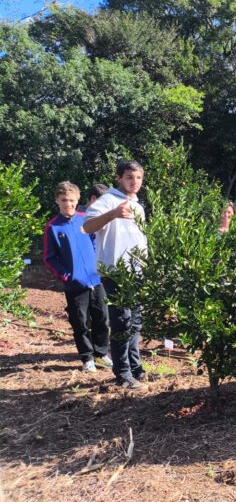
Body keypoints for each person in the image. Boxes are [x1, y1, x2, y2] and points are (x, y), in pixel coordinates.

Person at [83, 160, 148, 390]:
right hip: (115, 273)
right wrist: (113, 213)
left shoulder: (138, 206)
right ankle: (122, 374)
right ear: (119, 178)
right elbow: (88, 226)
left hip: (137, 273)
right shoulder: (108, 200)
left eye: (139, 177)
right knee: (121, 323)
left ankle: (135, 367)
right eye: (130, 177)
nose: (135, 182)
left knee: (135, 323)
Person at [43, 182, 111, 373]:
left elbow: (95, 243)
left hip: (96, 279)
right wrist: (66, 275)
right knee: (80, 322)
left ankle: (102, 353)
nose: (68, 204)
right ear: (57, 200)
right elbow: (49, 258)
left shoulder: (85, 219)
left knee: (102, 318)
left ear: (78, 200)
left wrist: (100, 267)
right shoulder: (53, 227)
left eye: (72, 200)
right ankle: (87, 358)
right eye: (64, 200)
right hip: (74, 284)